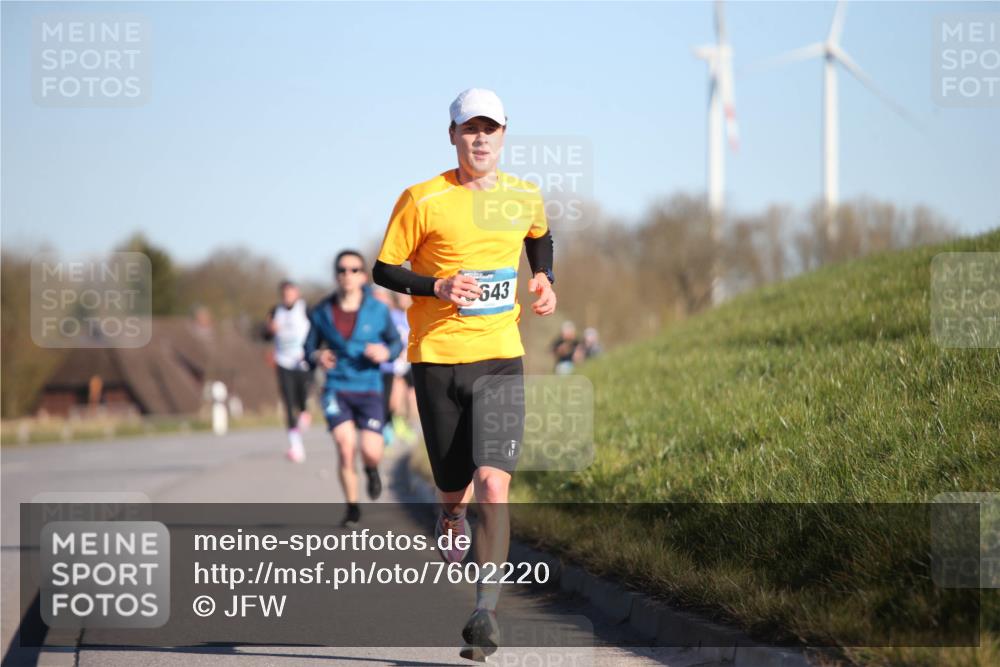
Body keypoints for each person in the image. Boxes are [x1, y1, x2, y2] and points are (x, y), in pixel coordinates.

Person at [372, 87, 557, 661]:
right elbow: (384, 268)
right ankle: (447, 513)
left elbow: (539, 236)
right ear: (451, 135)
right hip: (435, 358)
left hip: (500, 354)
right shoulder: (422, 199)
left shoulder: (524, 195)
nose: (480, 138)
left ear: (504, 135)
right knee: (454, 485)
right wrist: (437, 286)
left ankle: (485, 612)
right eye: (469, 128)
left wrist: (545, 277)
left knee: (494, 483)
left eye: (491, 128)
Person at [304, 250, 402, 527]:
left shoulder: (378, 309)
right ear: (336, 275)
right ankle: (352, 508)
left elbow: (395, 344)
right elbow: (308, 347)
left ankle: (371, 470)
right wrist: (317, 357)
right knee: (345, 447)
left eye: (354, 269)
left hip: (369, 387)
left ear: (363, 275)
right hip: (337, 387)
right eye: (342, 270)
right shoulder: (321, 311)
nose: (348, 275)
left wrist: (385, 352)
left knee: (371, 450)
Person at [266, 280, 312, 463]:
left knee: (301, 401)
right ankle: (296, 447)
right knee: (288, 402)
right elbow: (264, 333)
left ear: (297, 293)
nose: (288, 297)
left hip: (302, 362)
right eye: (284, 294)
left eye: (291, 293)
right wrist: (269, 330)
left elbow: (317, 329)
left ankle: (304, 412)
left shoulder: (305, 309)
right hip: (283, 361)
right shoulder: (275, 311)